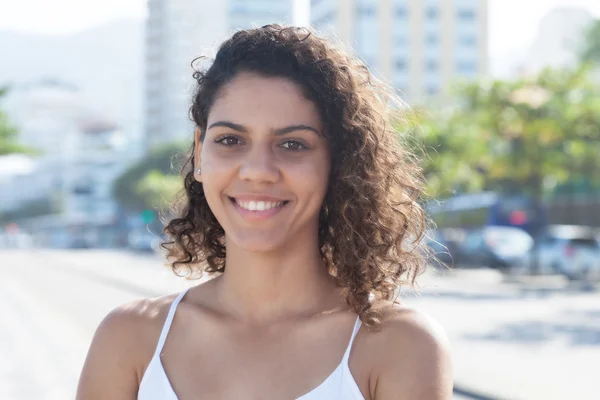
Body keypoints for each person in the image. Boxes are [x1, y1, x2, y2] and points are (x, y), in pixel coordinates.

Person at [76, 25, 452, 400]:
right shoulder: (129, 338)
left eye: (292, 144)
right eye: (230, 140)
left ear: (339, 163)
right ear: (200, 152)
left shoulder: (399, 347)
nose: (257, 169)